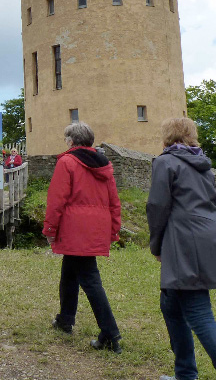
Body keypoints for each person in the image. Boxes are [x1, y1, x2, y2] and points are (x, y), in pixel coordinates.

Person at [147, 118, 216, 380]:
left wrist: (156, 245)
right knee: (170, 304)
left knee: (200, 315)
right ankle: (185, 374)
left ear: (167, 135)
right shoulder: (203, 165)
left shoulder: (165, 162)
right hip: (209, 236)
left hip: (185, 242)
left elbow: (157, 206)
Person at [42, 122, 122, 354]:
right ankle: (65, 319)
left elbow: (56, 199)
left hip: (74, 227)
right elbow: (113, 201)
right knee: (70, 271)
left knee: (90, 279)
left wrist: (49, 229)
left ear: (71, 141)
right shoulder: (105, 164)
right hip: (95, 226)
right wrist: (113, 229)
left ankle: (110, 333)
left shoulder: (67, 162)